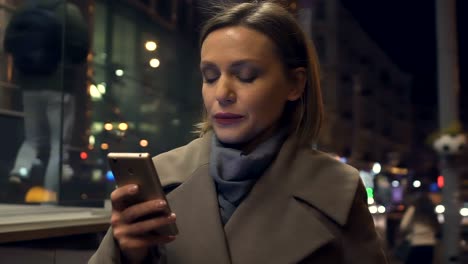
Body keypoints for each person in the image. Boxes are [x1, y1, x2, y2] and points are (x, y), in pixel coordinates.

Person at [90, 2, 387, 263]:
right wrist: (127, 254)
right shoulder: (160, 178)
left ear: (295, 85)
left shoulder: (337, 189)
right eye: (210, 76)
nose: (222, 93)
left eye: (246, 76)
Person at [3, 0, 89, 196]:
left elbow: (9, 42)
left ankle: (19, 171)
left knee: (32, 138)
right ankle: (50, 195)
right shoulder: (69, 11)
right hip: (60, 85)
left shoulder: (25, 8)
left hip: (29, 84)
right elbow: (81, 47)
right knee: (58, 145)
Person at [399, 193, 440, 264]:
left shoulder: (413, 209)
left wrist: (409, 231)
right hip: (430, 244)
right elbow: (437, 227)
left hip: (416, 243)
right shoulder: (431, 211)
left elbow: (403, 226)